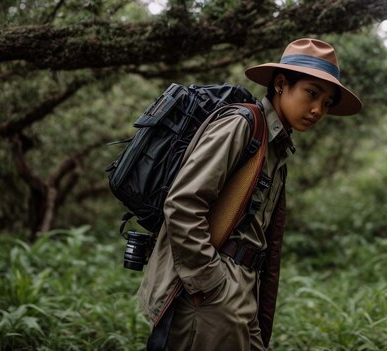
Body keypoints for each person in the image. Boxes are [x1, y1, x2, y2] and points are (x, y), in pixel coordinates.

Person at [137, 38, 362, 351]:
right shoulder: (241, 125)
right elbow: (184, 203)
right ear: (281, 84)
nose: (318, 110)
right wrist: (210, 282)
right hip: (208, 291)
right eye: (312, 93)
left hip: (242, 288)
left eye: (326, 103)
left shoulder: (277, 147)